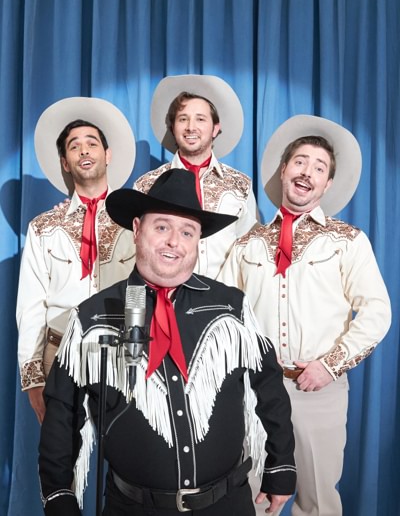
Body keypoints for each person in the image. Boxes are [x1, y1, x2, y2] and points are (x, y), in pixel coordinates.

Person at [38, 169, 296, 516]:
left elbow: (269, 388)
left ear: (197, 241)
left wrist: (280, 467)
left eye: (187, 231)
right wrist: (58, 495)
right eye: (162, 227)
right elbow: (62, 414)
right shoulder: (92, 318)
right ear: (137, 229)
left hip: (227, 505)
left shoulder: (231, 307)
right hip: (132, 508)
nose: (174, 241)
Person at [219, 115, 392, 516]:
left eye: (319, 168)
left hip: (318, 391)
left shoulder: (348, 241)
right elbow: (227, 315)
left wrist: (330, 366)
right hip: (255, 392)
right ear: (284, 170)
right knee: (254, 499)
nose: (307, 172)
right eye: (300, 161)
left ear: (327, 184)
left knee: (318, 503)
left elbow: (377, 312)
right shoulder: (248, 244)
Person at [17, 97, 136, 424]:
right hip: (60, 352)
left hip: (122, 353)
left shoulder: (135, 220)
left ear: (107, 155)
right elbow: (31, 305)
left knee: (127, 464)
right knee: (61, 463)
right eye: (74, 146)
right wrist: (33, 377)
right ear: (65, 163)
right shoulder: (43, 227)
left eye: (92, 143)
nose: (84, 150)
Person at [134, 74, 259, 279]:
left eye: (200, 119)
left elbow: (249, 249)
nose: (191, 127)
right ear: (173, 128)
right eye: (183, 119)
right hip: (164, 299)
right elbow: (137, 250)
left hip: (223, 300)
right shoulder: (146, 185)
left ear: (215, 129)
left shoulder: (240, 185)